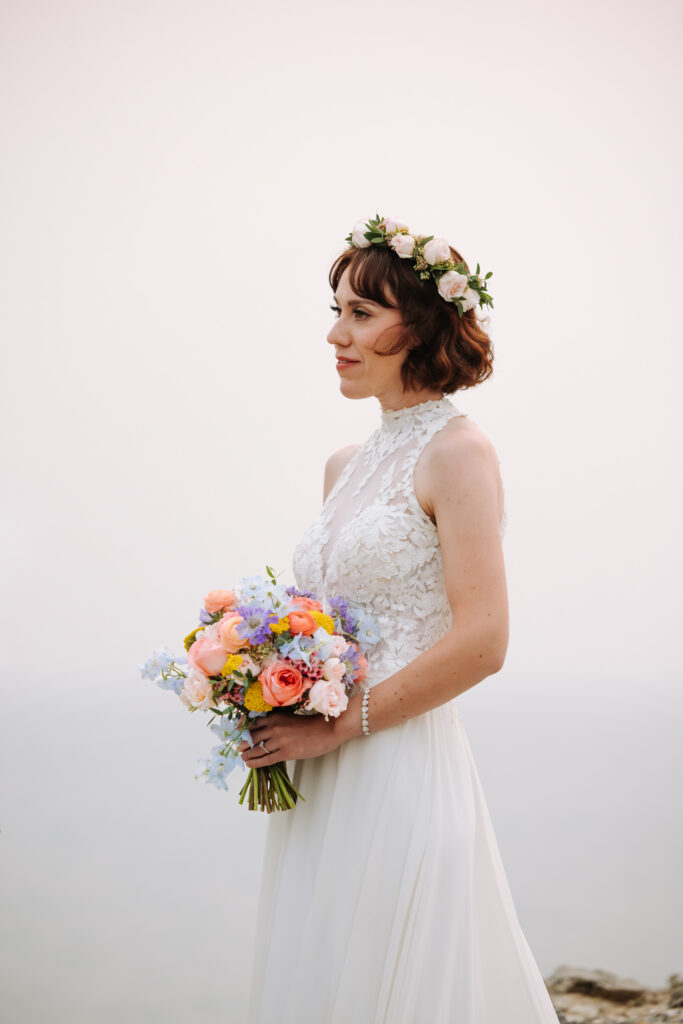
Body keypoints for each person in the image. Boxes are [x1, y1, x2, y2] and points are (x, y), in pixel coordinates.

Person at [240, 215, 560, 1023]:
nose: (333, 334)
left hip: (396, 767)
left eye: (359, 314)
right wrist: (264, 684)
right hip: (321, 772)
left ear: (416, 328)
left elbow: (484, 641)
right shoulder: (342, 467)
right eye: (335, 309)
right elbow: (329, 624)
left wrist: (342, 724)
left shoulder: (459, 452)